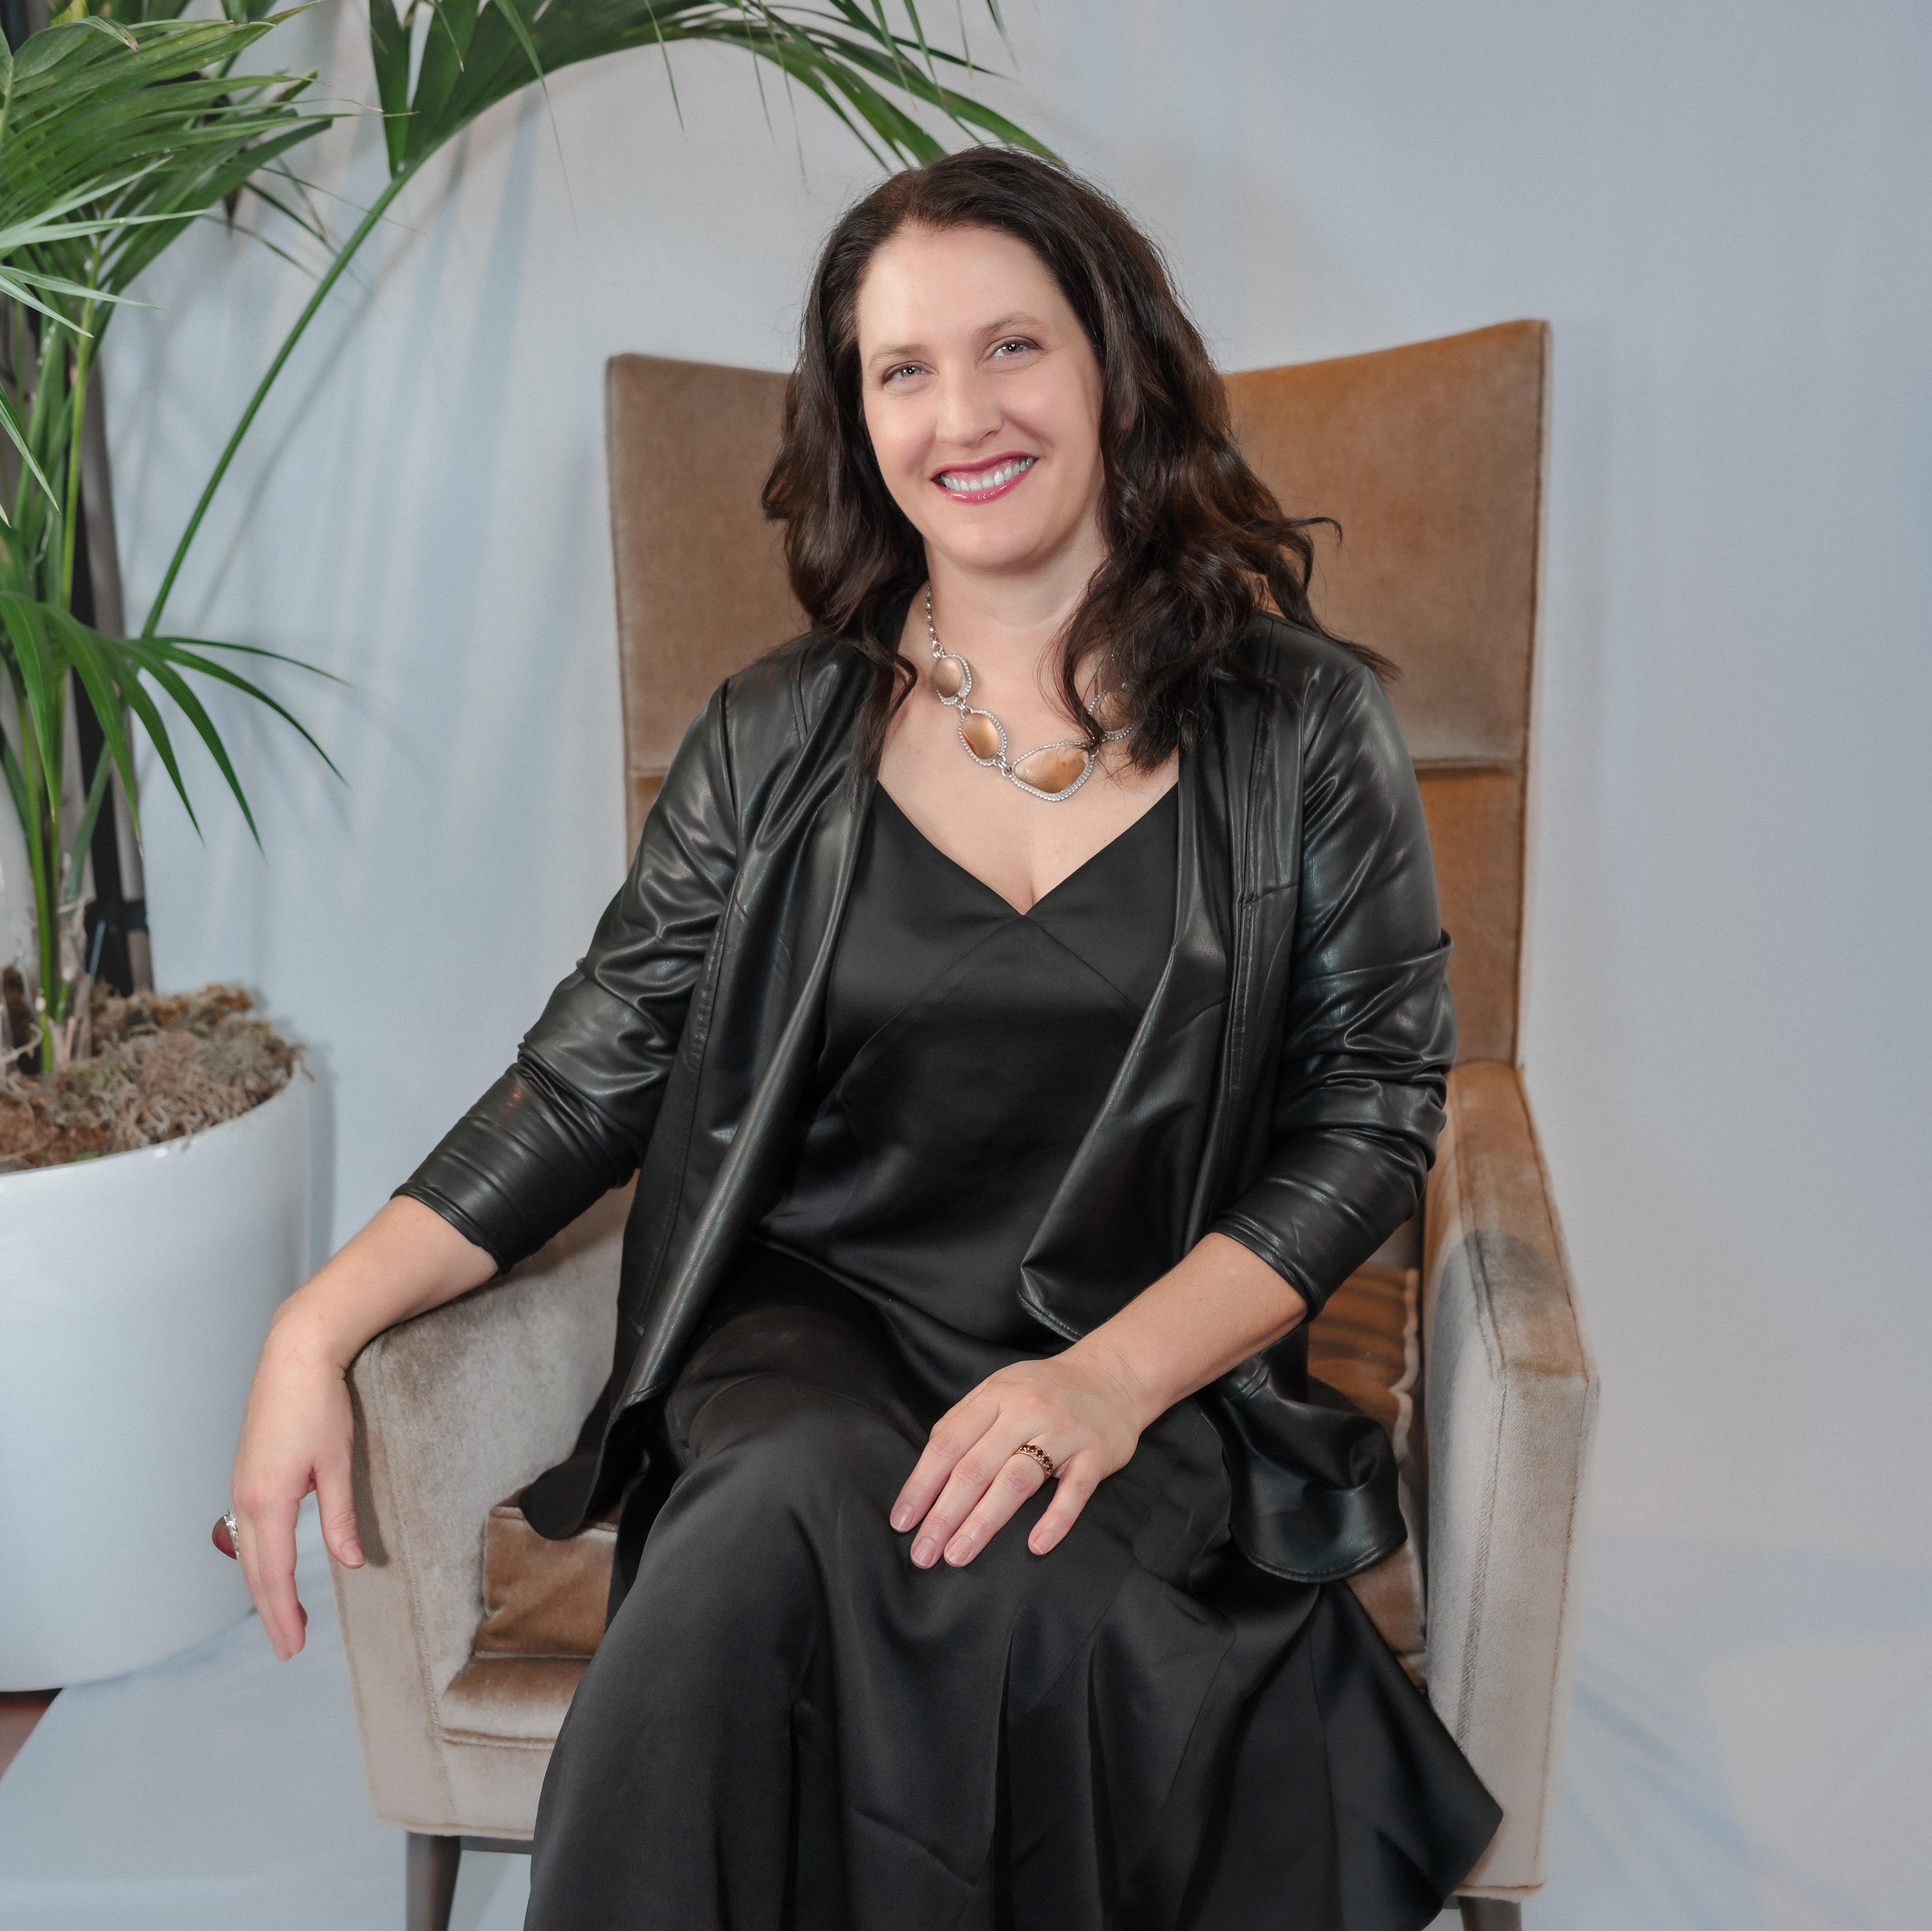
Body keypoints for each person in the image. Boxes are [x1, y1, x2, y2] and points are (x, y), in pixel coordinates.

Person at [227, 148, 1501, 1929]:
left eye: (1012, 348)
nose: (961, 416)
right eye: (903, 370)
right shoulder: (773, 735)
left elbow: (1370, 1116)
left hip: (1139, 1352)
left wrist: (1107, 1383)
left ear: (1117, 369)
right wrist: (316, 1320)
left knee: (1033, 1599)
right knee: (773, 1517)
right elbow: (589, 1075)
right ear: (858, 418)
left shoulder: (1304, 725)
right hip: (813, 1335)